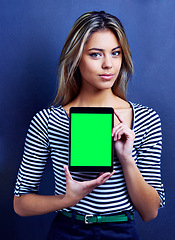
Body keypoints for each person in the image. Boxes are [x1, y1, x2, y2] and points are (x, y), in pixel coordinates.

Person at [13, 11, 165, 239]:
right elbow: (21, 203)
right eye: (95, 54)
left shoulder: (146, 118)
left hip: (121, 231)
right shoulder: (47, 121)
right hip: (67, 230)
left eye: (115, 53)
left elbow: (150, 211)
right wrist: (67, 199)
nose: (108, 64)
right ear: (76, 59)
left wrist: (126, 158)